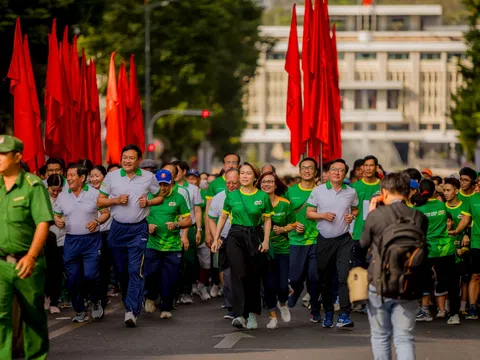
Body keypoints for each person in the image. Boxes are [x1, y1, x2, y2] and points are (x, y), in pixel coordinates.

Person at [360, 172, 428, 360]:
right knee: (405, 337)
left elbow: (363, 243)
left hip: (380, 282)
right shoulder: (419, 217)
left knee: (381, 335)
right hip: (409, 282)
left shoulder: (377, 216)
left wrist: (372, 214)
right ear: (409, 192)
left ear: (384, 192)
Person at [98, 144, 164, 327]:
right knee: (122, 272)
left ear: (139, 160)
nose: (127, 161)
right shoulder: (111, 177)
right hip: (118, 229)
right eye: (124, 157)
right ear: (121, 159)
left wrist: (148, 202)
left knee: (136, 270)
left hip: (138, 230)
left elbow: (160, 197)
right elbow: (100, 201)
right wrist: (116, 200)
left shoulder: (148, 177)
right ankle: (129, 302)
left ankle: (132, 311)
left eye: (131, 158)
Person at [0, 135, 54, 360]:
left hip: (28, 262)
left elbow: (43, 222)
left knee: (33, 317)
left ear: (17, 157)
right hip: (2, 263)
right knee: (1, 316)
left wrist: (31, 256)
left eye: (3, 154)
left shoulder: (33, 186)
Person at [212, 162, 273, 329]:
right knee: (238, 275)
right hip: (235, 236)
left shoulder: (262, 197)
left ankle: (252, 313)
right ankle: (239, 315)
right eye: (242, 173)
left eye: (248, 173)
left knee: (252, 276)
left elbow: (267, 220)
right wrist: (216, 238)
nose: (244, 176)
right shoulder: (232, 196)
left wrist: (266, 240)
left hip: (254, 238)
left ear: (255, 177)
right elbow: (223, 218)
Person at [54, 163, 110, 323]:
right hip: (71, 240)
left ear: (82, 177)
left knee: (91, 275)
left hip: (91, 240)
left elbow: (106, 213)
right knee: (72, 278)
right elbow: (57, 214)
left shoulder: (95, 194)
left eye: (72, 175)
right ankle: (80, 310)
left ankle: (95, 300)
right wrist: (58, 221)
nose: (69, 178)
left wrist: (97, 221)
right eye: (68, 175)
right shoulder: (63, 195)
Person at [307, 159, 359, 328]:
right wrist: (322, 215)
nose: (337, 172)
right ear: (328, 173)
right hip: (324, 240)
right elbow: (309, 213)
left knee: (344, 276)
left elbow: (355, 208)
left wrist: (352, 216)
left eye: (341, 170)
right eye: (334, 169)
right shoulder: (318, 190)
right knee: (325, 279)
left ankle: (344, 314)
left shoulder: (351, 192)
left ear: (345, 174)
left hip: (344, 240)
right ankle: (328, 311)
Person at [144, 170, 192, 319]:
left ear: (172, 183)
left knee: (170, 278)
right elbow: (138, 217)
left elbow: (188, 220)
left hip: (172, 246)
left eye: (166, 184)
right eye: (160, 184)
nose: (163, 188)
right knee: (150, 274)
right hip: (152, 244)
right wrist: (147, 226)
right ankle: (150, 296)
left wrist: (177, 224)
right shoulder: (149, 198)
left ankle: (166, 307)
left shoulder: (178, 198)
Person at [412, 179, 462, 324]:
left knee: (420, 279)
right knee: (452, 283)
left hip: (428, 250)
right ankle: (454, 315)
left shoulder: (418, 209)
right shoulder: (441, 205)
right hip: (446, 249)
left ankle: (422, 311)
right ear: (435, 191)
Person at [285, 157, 321, 322]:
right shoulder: (291, 191)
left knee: (314, 277)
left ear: (315, 171)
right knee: (295, 277)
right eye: (304, 168)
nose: (307, 170)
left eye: (310, 168)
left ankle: (315, 309)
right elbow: (285, 216)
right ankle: (297, 290)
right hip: (295, 240)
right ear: (299, 172)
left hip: (316, 239)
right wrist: (293, 225)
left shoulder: (322, 191)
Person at [258, 171, 295, 329]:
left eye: (270, 182)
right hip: (264, 250)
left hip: (282, 249)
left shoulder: (284, 203)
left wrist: (283, 229)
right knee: (269, 285)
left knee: (281, 285)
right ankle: (272, 316)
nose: (266, 184)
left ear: (275, 185)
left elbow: (293, 224)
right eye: (264, 182)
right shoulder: (256, 203)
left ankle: (283, 303)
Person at [208, 168, 240, 319]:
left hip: (243, 240)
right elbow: (211, 218)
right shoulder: (218, 198)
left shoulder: (247, 195)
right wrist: (216, 237)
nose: (231, 185)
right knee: (227, 274)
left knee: (242, 274)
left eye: (234, 182)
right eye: (228, 182)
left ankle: (246, 307)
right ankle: (231, 307)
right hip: (225, 239)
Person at [443, 178, 472, 318]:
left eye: (448, 190)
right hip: (445, 250)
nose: (446, 193)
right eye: (444, 190)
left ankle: (461, 307)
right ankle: (447, 309)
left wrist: (466, 236)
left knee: (463, 279)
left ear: (456, 191)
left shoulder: (465, 205)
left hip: (462, 249)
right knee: (449, 279)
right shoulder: (442, 207)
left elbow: (471, 224)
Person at [90, 165, 118, 303]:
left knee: (103, 267)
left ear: (104, 177)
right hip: (89, 235)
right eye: (92, 176)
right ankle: (93, 296)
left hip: (106, 234)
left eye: (97, 176)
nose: (94, 179)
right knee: (91, 268)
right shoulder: (86, 192)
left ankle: (101, 297)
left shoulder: (111, 194)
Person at [351, 155, 381, 270]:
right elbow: (349, 209)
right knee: (358, 269)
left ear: (376, 167)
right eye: (366, 166)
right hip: (359, 234)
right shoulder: (355, 187)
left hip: (377, 235)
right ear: (362, 167)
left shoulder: (383, 186)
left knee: (376, 268)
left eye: (371, 165)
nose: (368, 168)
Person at [205, 154, 241, 248]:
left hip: (242, 237)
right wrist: (212, 235)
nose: (231, 185)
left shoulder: (247, 194)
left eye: (234, 162)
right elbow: (210, 215)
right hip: (223, 237)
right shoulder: (217, 193)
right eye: (228, 162)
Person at [45, 174, 66, 314]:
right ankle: (45, 297)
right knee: (46, 271)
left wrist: (63, 218)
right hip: (46, 239)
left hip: (63, 238)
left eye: (58, 190)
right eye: (53, 190)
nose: (55, 193)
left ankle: (54, 300)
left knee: (57, 271)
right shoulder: (42, 198)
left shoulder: (66, 197)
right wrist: (53, 218)